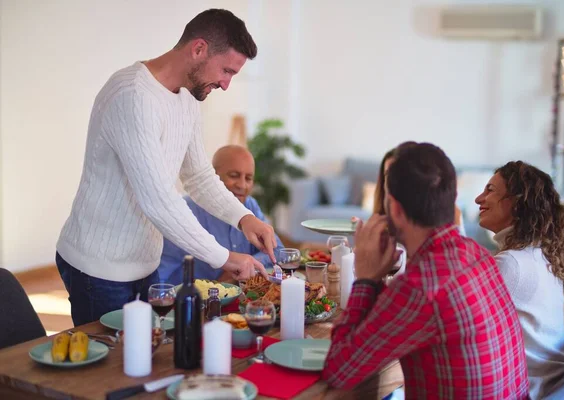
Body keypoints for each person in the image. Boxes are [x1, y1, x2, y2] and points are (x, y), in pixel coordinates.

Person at [55, 9, 277, 326]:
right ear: (199, 49)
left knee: (146, 360)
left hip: (146, 264)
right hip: (98, 268)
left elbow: (199, 177)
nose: (226, 84)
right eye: (226, 70)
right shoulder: (132, 95)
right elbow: (158, 199)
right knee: (109, 372)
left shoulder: (187, 99)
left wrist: (244, 218)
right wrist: (225, 257)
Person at [323, 142, 529, 399]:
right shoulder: (477, 254)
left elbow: (339, 370)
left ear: (394, 209)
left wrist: (365, 278)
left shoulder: (420, 285)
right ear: (450, 199)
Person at [475, 161, 564, 399]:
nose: (478, 199)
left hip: (530, 389)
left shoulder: (512, 263)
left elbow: (456, 318)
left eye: (490, 190)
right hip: (553, 382)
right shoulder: (539, 253)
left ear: (517, 201)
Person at [158, 145, 284, 285]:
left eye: (248, 178)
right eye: (234, 176)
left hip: (242, 299)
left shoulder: (250, 206)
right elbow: (163, 275)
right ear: (213, 178)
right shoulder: (185, 210)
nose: (242, 185)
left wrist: (244, 263)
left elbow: (278, 251)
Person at [373, 148, 466, 235]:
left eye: (401, 176)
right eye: (388, 175)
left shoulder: (445, 215)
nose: (394, 182)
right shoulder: (378, 226)